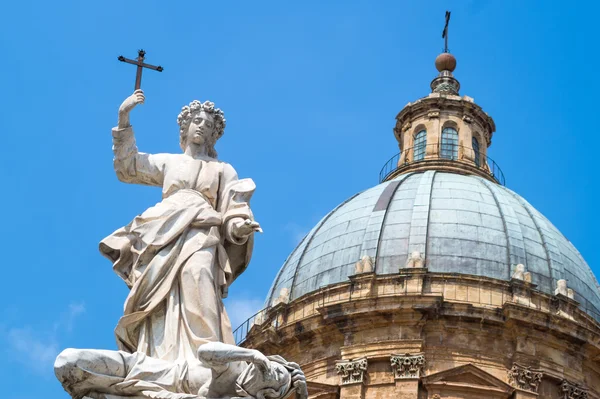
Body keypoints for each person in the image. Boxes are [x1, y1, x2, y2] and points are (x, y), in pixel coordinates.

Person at [99, 90, 261, 363]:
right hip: (162, 230)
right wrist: (123, 118)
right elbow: (127, 167)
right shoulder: (169, 162)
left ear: (214, 135)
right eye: (197, 121)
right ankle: (162, 352)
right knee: (156, 292)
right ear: (185, 127)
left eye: (209, 125)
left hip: (201, 231)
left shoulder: (223, 169)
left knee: (198, 277)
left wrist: (238, 229)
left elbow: (234, 208)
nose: (202, 126)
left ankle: (205, 348)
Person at [54, 342, 308, 399]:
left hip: (154, 394)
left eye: (273, 376)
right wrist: (252, 354)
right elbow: (205, 352)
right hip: (148, 370)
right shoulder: (234, 367)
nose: (266, 368)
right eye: (274, 366)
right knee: (69, 362)